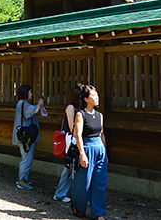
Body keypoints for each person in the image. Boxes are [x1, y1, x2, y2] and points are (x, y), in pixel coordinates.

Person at [71, 84, 108, 220]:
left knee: (100, 182)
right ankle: (78, 207)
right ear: (86, 99)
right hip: (87, 147)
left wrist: (105, 153)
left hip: (99, 149)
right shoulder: (81, 114)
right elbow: (78, 135)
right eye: (94, 95)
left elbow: (102, 134)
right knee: (83, 182)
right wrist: (82, 153)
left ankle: (99, 213)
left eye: (97, 95)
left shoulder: (100, 115)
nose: (97, 98)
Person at [52, 85, 81, 203]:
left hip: (75, 139)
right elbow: (71, 125)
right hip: (72, 139)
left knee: (71, 167)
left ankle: (63, 192)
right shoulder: (71, 107)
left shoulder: (77, 108)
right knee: (69, 166)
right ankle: (60, 193)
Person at [12, 84, 44, 189]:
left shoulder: (22, 104)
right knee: (26, 158)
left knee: (26, 157)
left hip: (26, 135)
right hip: (26, 136)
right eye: (30, 92)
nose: (31, 94)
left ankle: (24, 178)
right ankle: (21, 180)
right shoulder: (23, 104)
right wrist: (39, 104)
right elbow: (35, 110)